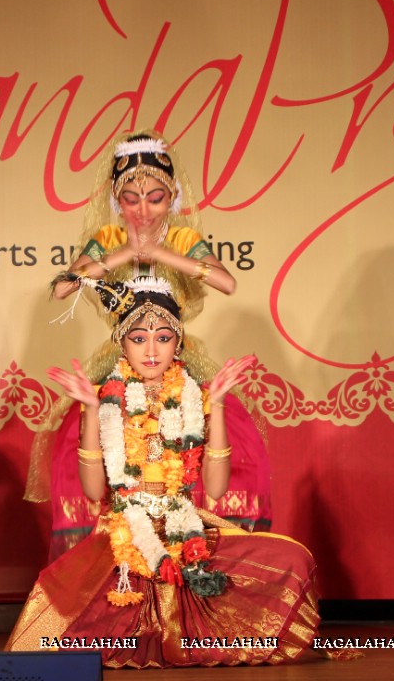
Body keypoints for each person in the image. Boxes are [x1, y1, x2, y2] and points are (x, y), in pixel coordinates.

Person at [8, 278, 319, 667]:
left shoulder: (193, 396)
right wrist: (89, 410)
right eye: (139, 339)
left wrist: (217, 406)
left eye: (163, 337)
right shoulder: (109, 399)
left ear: (179, 342)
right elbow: (93, 492)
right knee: (58, 629)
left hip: (184, 525)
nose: (151, 351)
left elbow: (217, 490)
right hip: (121, 536)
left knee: (293, 558)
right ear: (122, 344)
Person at [29, 130, 271, 558]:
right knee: (90, 453)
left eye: (156, 198)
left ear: (173, 196)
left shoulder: (179, 239)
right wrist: (125, 253)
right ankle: (115, 557)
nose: (143, 210)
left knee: (206, 443)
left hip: (174, 354)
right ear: (115, 198)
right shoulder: (106, 239)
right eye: (132, 199)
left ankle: (193, 554)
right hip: (123, 357)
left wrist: (160, 254)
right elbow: (64, 288)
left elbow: (226, 281)